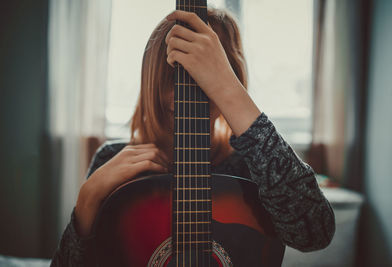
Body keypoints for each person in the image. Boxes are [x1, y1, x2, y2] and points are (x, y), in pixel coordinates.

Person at [51, 8, 335, 266]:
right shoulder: (111, 161)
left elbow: (315, 233)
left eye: (200, 81)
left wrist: (229, 90)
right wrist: (88, 198)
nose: (181, 97)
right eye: (168, 79)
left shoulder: (251, 168)